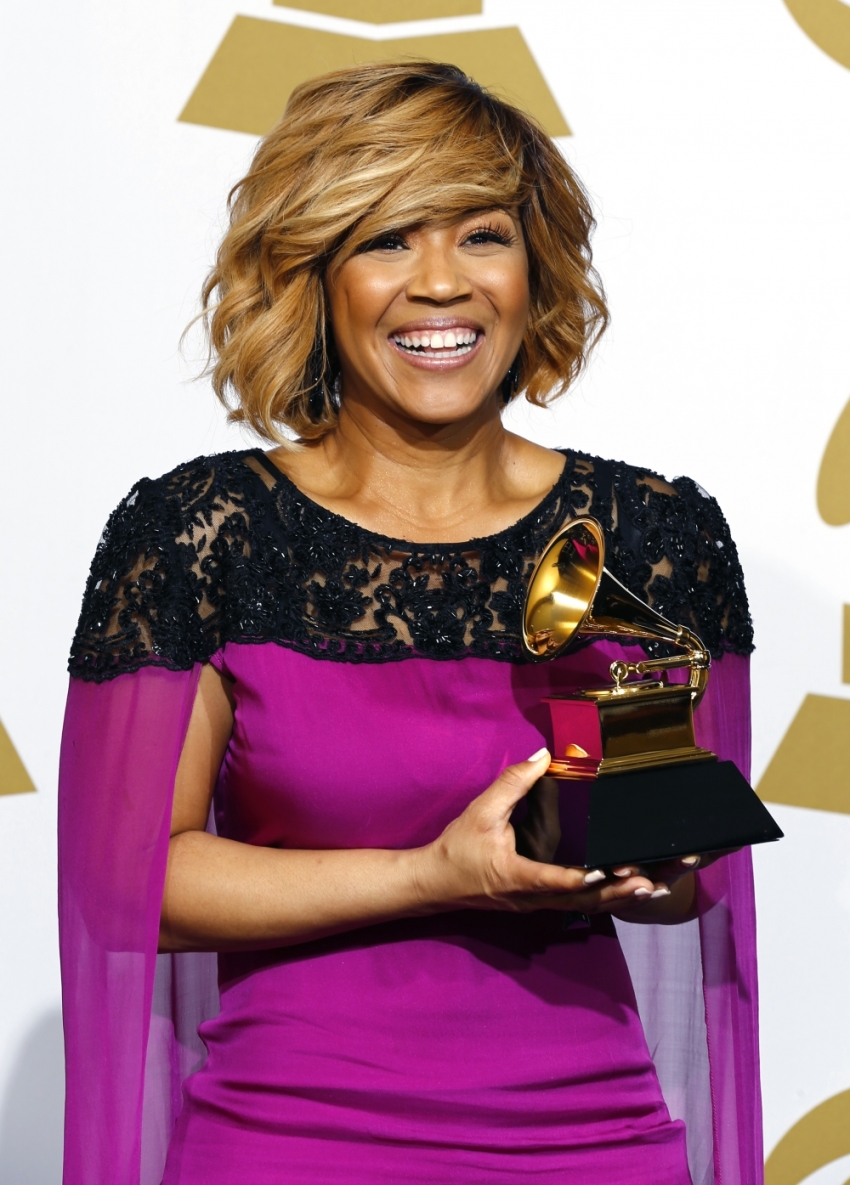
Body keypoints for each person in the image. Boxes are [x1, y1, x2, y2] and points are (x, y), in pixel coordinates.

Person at [59, 63, 761, 1185]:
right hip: (291, 1143)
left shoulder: (651, 530)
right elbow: (128, 887)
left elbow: (691, 892)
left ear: (534, 270)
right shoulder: (200, 532)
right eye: (387, 239)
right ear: (314, 276)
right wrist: (435, 874)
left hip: (596, 1145)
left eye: (482, 235)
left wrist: (644, 860)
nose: (441, 283)